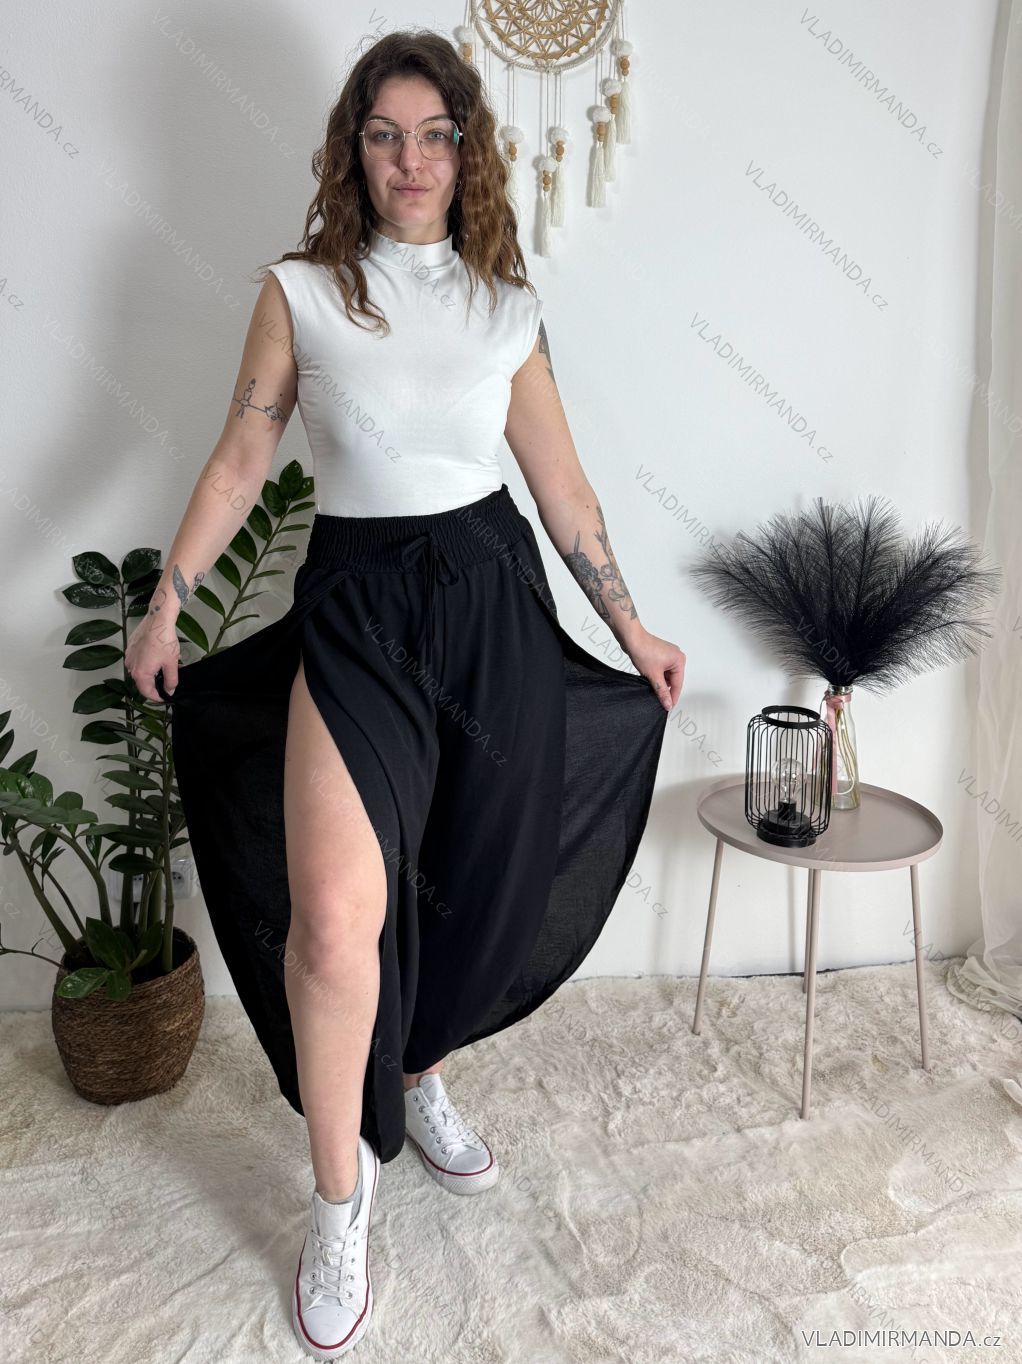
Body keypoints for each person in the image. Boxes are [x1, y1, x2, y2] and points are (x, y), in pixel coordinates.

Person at [125, 28, 684, 1361]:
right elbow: (239, 460)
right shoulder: (303, 292)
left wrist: (631, 624)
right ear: (353, 150)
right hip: (359, 612)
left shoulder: (505, 302)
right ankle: (339, 1202)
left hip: (493, 606)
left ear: (466, 149)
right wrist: (168, 599)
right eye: (384, 134)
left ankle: (419, 1072)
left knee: (474, 893)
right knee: (333, 925)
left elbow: (562, 489)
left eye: (435, 134)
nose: (411, 159)